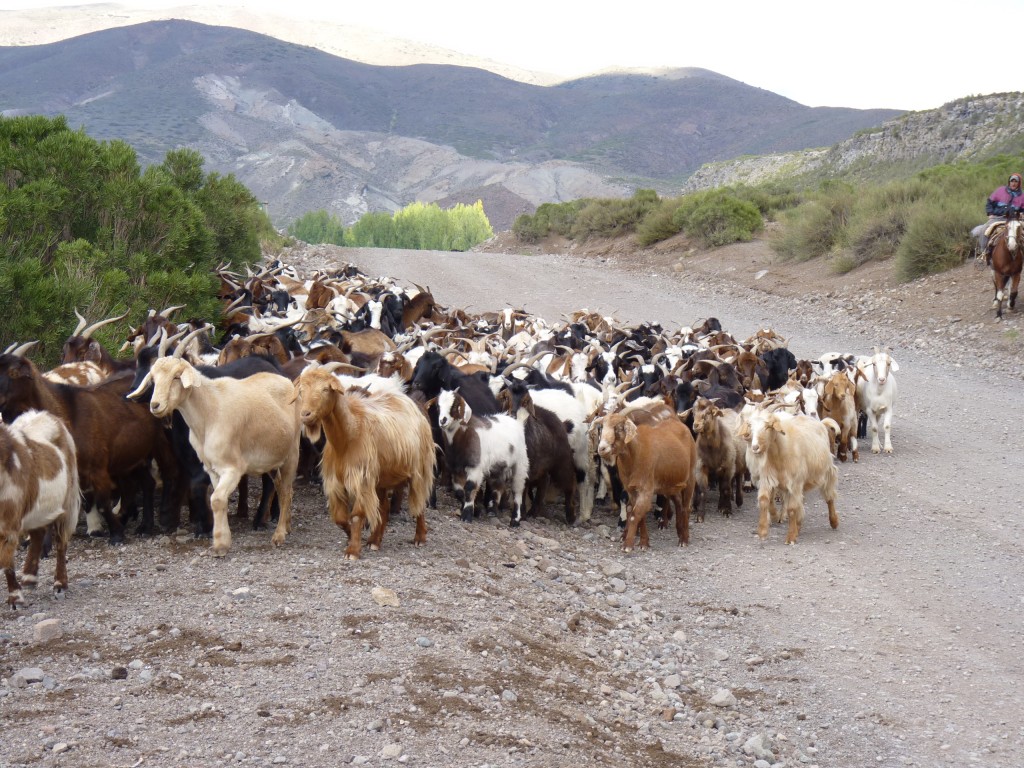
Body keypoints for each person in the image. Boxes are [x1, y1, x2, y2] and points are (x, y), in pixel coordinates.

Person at [974, 173, 1023, 262]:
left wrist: (1022, 214)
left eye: (1016, 181)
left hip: (1014, 219)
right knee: (984, 230)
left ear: (1019, 183)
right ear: (1009, 182)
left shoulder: (1022, 196)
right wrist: (990, 213)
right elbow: (989, 202)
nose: (1013, 183)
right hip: (998, 217)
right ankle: (983, 253)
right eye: (1012, 181)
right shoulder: (1000, 190)